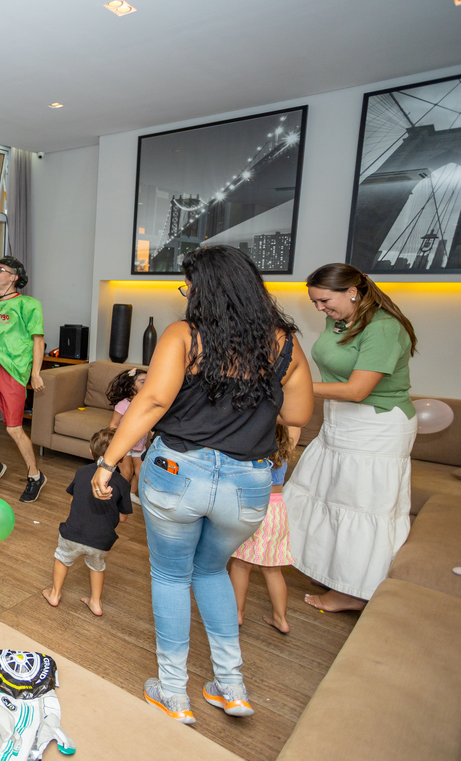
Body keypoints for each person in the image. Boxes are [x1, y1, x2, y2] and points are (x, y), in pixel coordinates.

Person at [91, 246, 313, 725]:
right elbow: (297, 413)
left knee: (172, 575)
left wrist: (107, 463)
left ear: (205, 289)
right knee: (211, 571)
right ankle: (231, 686)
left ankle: (174, 692)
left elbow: (152, 403)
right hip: (248, 484)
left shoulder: (183, 335)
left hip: (179, 474)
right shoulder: (284, 344)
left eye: (188, 285)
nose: (186, 292)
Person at [284, 263, 419, 613]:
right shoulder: (340, 319)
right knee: (328, 496)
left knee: (360, 506)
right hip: (340, 420)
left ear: (352, 292)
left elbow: (358, 390)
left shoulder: (384, 328)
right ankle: (335, 573)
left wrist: (295, 387)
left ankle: (355, 591)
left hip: (376, 427)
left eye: (324, 301)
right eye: (314, 302)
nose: (319, 308)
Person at [0, 256, 47, 502]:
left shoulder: (29, 304)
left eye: (0, 269)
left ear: (14, 277)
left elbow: (38, 340)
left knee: (14, 428)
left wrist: (35, 373)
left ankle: (35, 476)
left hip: (13, 370)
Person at [42, 428, 133, 617]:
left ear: (91, 452)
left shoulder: (81, 471)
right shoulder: (123, 484)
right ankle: (95, 603)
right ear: (123, 457)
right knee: (97, 566)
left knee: (62, 558)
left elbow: (72, 499)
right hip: (101, 540)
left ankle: (54, 594)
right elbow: (123, 518)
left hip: (73, 533)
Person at [229, 425, 300, 634]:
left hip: (253, 506)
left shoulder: (251, 446)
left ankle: (237, 613)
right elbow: (295, 425)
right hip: (277, 510)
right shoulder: (286, 444)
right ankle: (281, 618)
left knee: (241, 564)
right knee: (273, 569)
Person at [107, 368, 149, 495]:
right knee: (127, 472)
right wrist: (116, 443)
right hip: (124, 444)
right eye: (143, 381)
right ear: (131, 387)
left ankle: (131, 495)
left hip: (139, 444)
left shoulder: (148, 403)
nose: (147, 383)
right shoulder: (123, 404)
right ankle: (117, 496)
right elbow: (113, 424)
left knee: (141, 472)